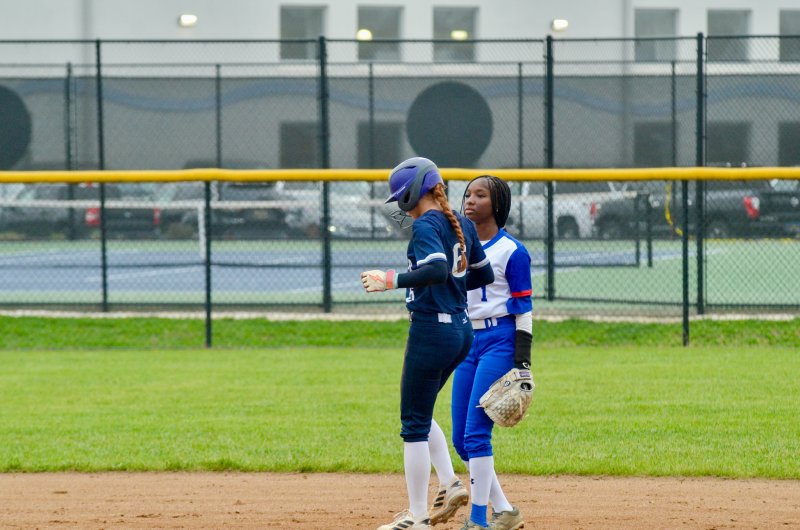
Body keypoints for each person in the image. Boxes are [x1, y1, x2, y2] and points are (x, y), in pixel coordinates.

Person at [360, 157, 495, 530]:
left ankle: (417, 517)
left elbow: (435, 269)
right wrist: (452, 285)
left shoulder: (426, 226)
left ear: (408, 195)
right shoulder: (462, 223)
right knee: (422, 410)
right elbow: (482, 273)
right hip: (461, 333)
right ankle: (450, 482)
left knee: (413, 425)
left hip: (431, 332)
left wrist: (391, 279)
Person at [451, 175, 533, 530]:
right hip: (467, 340)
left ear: (496, 204)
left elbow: (524, 310)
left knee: (476, 434)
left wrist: (523, 364)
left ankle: (478, 520)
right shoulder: (458, 247)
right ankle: (507, 512)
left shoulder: (513, 251)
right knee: (460, 438)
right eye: (468, 194)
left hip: (500, 340)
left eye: (480, 195)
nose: (470, 200)